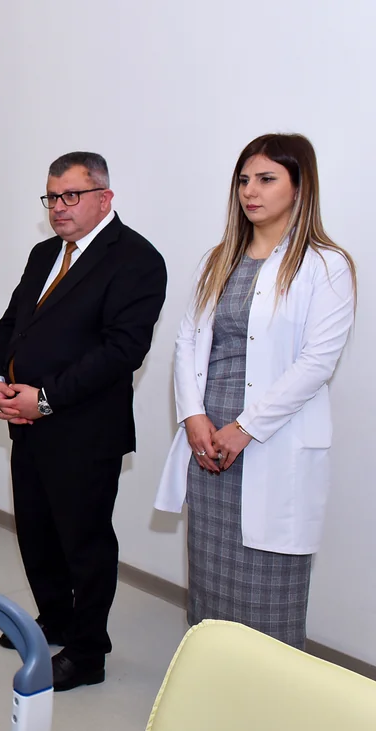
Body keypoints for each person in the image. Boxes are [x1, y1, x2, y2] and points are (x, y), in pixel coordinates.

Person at [154, 134, 356, 649]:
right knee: (211, 581)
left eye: (266, 179)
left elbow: (317, 363)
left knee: (270, 587)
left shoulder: (325, 265)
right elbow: (187, 342)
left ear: (300, 186)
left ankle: (269, 691)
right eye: (244, 180)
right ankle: (211, 678)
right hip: (209, 444)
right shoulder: (218, 260)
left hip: (271, 441)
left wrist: (244, 428)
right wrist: (193, 417)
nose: (250, 191)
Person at [0, 152, 167, 691]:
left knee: (83, 544)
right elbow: (12, 323)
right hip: (28, 425)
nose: (58, 207)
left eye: (71, 196)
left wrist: (44, 399)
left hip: (85, 432)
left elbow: (122, 351)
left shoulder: (135, 259)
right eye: (51, 197)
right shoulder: (45, 253)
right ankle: (55, 619)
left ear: (104, 198)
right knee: (36, 533)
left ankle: (88, 652)